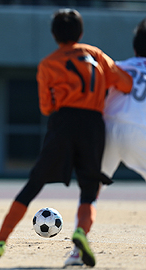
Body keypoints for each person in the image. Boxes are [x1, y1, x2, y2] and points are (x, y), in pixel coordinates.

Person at [0, 8, 132, 268]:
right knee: (89, 190)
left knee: (34, 184)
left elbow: (46, 108)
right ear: (80, 32)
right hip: (93, 123)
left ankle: (0, 242)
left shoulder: (49, 63)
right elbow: (125, 84)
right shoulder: (96, 55)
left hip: (63, 122)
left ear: (54, 35)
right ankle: (81, 232)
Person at [65, 17, 146, 267]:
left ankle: (78, 250)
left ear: (135, 48)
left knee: (91, 191)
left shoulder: (117, 66)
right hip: (142, 129)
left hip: (107, 128)